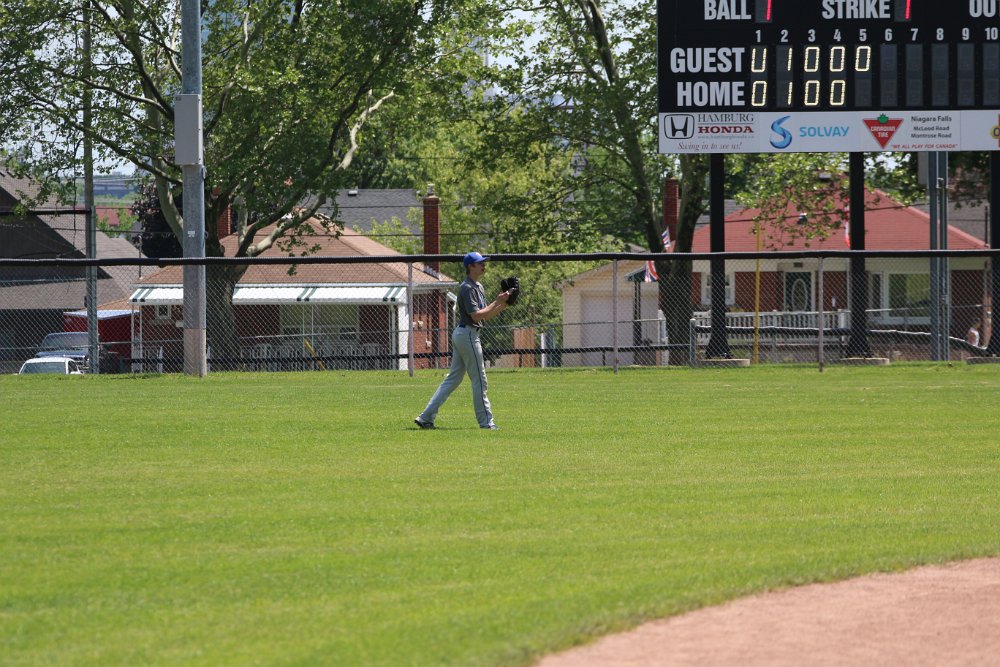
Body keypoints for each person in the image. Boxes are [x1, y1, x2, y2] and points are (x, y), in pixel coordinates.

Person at [414, 252, 510, 430]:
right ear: (470, 266)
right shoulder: (467, 287)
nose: (483, 265)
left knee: (453, 380)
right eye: (480, 263)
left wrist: (504, 303)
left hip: (465, 334)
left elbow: (486, 315)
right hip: (468, 335)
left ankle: (425, 417)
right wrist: (497, 300)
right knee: (479, 380)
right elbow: (476, 315)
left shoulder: (478, 286)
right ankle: (486, 423)